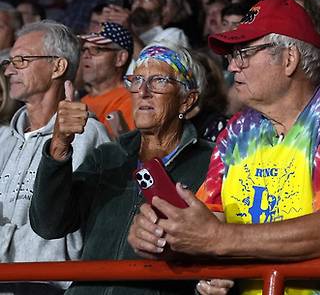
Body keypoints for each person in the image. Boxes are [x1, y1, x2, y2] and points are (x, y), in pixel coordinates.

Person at [128, 0, 320, 294]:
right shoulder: (239, 129)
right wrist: (163, 237)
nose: (232, 66)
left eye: (243, 52)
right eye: (231, 55)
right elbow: (207, 227)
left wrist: (219, 239)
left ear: (289, 59)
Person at [29, 44, 217, 295]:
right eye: (136, 80)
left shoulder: (211, 163)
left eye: (159, 80)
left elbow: (212, 254)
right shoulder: (108, 157)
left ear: (187, 100)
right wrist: (59, 145)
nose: (143, 92)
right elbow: (48, 224)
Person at [0, 21, 109, 294]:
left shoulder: (88, 134)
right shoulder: (3, 139)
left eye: (22, 60)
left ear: (58, 67)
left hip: (50, 285)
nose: (10, 69)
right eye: (9, 62)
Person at [79, 22, 136, 137]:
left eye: (97, 49)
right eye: (84, 49)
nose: (86, 55)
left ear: (120, 58)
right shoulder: (82, 101)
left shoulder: (130, 101)